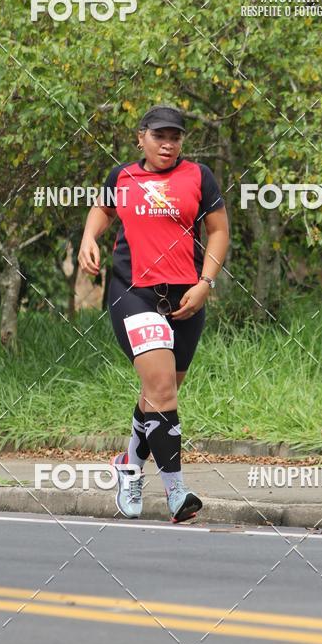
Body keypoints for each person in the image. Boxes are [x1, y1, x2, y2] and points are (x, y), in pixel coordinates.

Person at [78, 105, 230, 522]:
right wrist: (89, 238)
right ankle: (177, 494)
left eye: (175, 137)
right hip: (134, 293)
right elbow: (102, 210)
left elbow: (218, 230)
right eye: (160, 136)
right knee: (162, 390)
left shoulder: (198, 176)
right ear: (140, 137)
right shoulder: (122, 177)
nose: (168, 144)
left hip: (186, 297)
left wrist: (206, 283)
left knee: (157, 394)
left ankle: (128, 463)